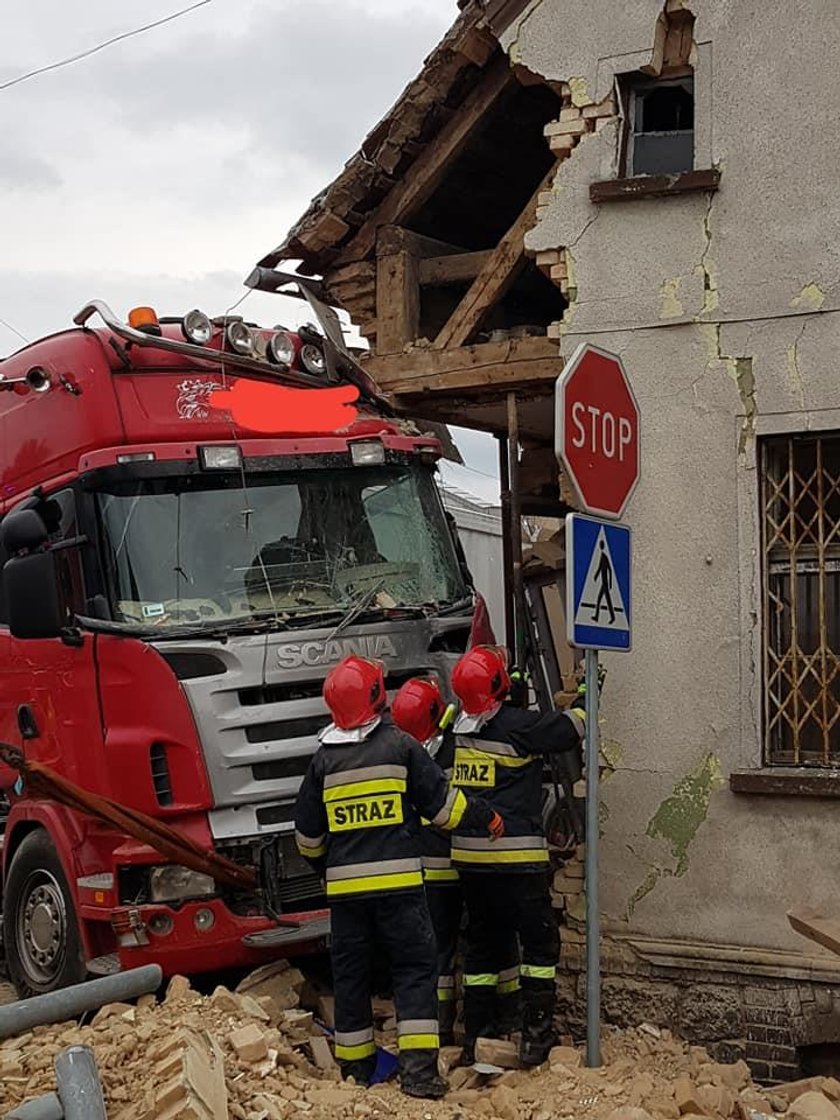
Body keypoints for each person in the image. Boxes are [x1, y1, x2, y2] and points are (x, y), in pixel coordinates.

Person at [294, 654, 504, 1099]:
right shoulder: (400, 747)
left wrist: (330, 870)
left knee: (350, 978)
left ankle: (354, 1069)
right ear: (375, 696)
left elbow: (308, 839)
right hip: (401, 889)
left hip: (347, 897)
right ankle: (419, 1075)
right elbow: (444, 809)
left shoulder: (322, 763)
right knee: (413, 973)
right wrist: (485, 818)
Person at [448, 645, 586, 1067]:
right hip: (516, 862)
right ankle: (535, 1040)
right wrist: (587, 693)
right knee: (539, 948)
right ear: (499, 687)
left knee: (483, 952)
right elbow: (567, 730)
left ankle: (477, 1039)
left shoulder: (456, 728)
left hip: (471, 864)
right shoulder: (517, 726)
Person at [391, 677, 520, 1048]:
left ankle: (440, 1027)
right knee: (493, 939)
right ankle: (505, 1016)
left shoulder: (399, 756)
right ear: (436, 712)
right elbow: (465, 801)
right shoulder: (456, 748)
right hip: (468, 861)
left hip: (428, 872)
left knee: (438, 953)